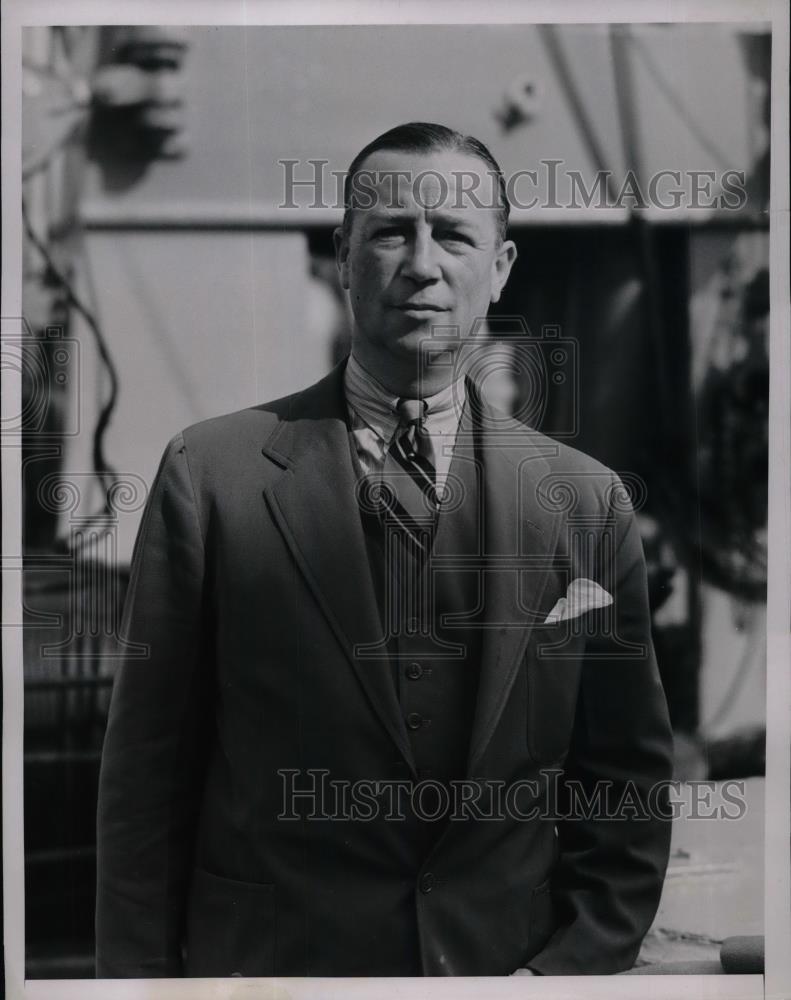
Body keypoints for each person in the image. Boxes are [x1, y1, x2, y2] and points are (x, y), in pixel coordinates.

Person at [96, 122, 674, 978]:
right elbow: (144, 783)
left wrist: (562, 979)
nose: (422, 263)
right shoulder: (209, 477)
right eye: (391, 231)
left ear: (501, 267)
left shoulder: (585, 501)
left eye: (453, 236)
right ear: (343, 252)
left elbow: (624, 788)